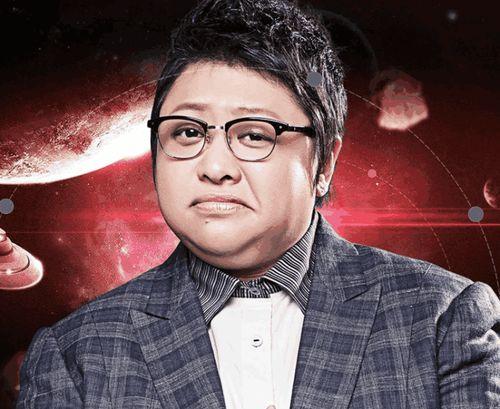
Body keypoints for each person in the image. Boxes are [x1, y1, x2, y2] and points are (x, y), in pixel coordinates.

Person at [16, 0, 500, 408]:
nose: (215, 167)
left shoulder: (442, 321)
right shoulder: (74, 355)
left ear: (324, 162)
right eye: (187, 132)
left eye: (254, 135)